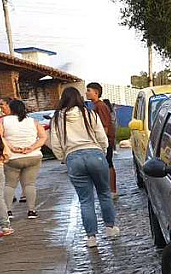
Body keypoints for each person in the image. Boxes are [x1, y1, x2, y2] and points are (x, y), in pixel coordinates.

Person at [50, 87, 119, 248]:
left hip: (73, 157)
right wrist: (101, 151)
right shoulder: (89, 114)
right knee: (104, 193)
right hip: (95, 153)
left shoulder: (57, 118)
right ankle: (110, 228)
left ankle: (91, 238)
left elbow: (55, 143)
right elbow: (102, 137)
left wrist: (64, 158)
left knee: (85, 200)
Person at [0, 99, 47, 220]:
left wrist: (11, 147)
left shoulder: (4, 120)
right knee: (29, 184)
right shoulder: (33, 121)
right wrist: (31, 148)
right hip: (33, 156)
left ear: (11, 108)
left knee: (9, 185)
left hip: (13, 158)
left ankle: (8, 212)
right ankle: (32, 211)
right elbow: (43, 137)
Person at [85, 83, 118, 200]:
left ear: (96, 93)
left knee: (108, 164)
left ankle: (112, 190)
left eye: (88, 90)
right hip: (104, 140)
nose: (86, 92)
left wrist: (101, 141)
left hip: (105, 140)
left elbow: (105, 126)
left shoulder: (100, 106)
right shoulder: (97, 106)